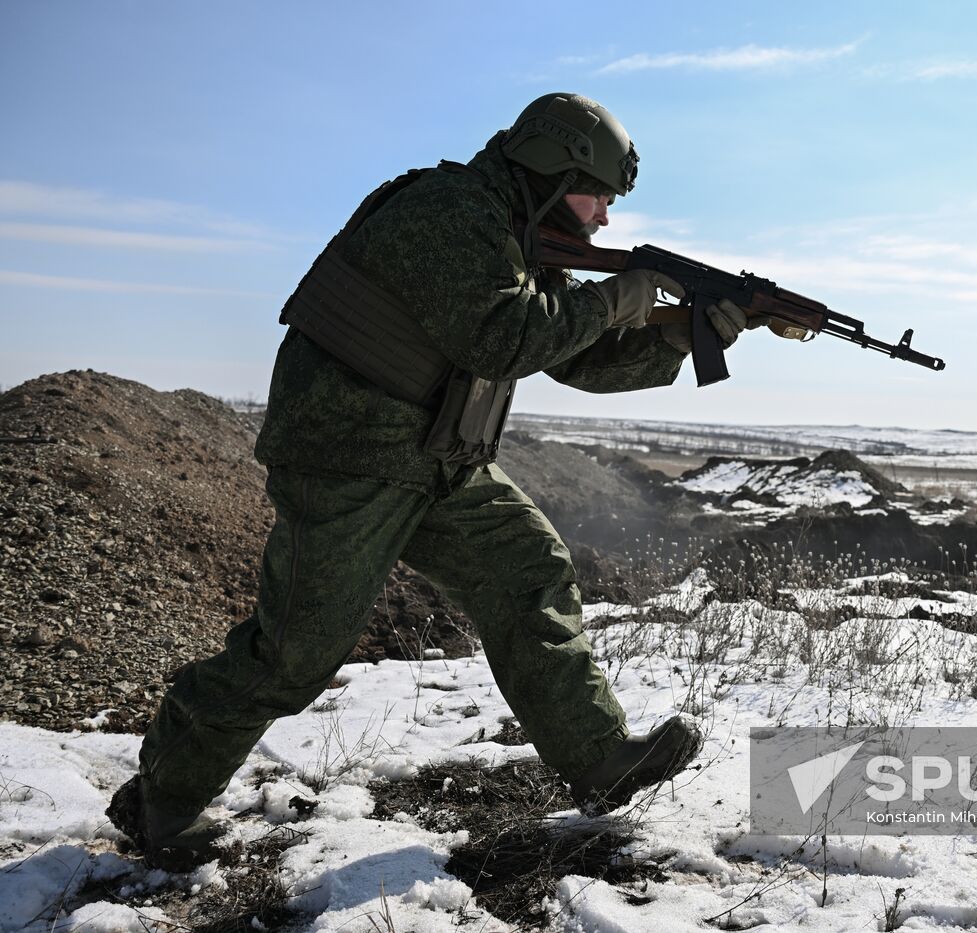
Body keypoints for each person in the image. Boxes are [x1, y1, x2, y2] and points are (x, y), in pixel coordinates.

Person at [107, 92, 758, 867]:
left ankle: (597, 758)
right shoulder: (449, 212)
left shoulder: (519, 235)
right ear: (555, 170)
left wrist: (686, 337)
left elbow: (577, 360)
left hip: (432, 455)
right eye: (601, 196)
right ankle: (161, 800)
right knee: (295, 652)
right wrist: (619, 296)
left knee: (527, 567)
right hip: (348, 454)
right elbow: (502, 339)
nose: (606, 218)